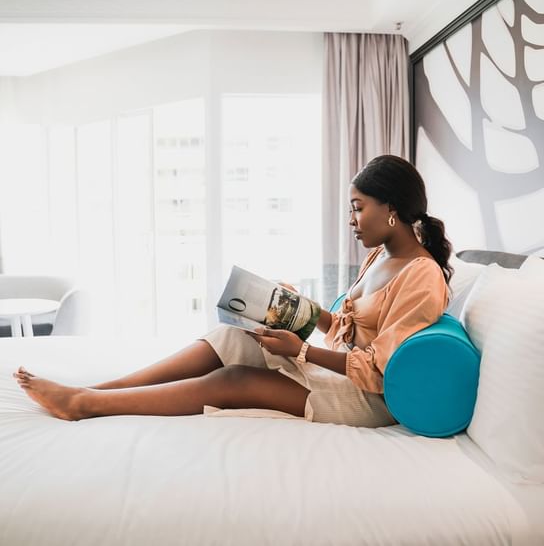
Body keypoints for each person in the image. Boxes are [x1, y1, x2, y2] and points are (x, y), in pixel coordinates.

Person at [13, 155, 452, 425]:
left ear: (391, 208)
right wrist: (298, 310)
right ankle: (106, 388)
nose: (351, 220)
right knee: (232, 334)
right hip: (338, 371)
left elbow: (380, 370)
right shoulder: (380, 256)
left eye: (358, 208)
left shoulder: (421, 275)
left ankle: (87, 405)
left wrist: (299, 352)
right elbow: (346, 327)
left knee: (236, 379)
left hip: (368, 399)